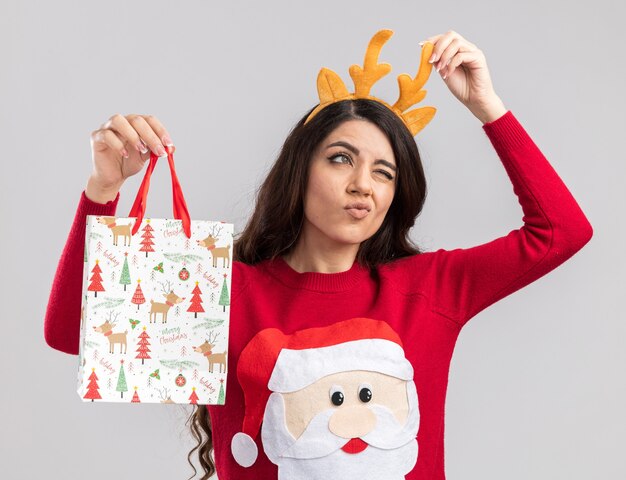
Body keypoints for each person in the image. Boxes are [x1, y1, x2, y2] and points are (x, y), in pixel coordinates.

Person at [44, 29, 593, 480]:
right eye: (341, 159)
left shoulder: (429, 288)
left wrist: (487, 107)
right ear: (299, 172)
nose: (364, 185)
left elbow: (562, 231)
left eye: (385, 172)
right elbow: (71, 333)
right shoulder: (222, 293)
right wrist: (102, 192)